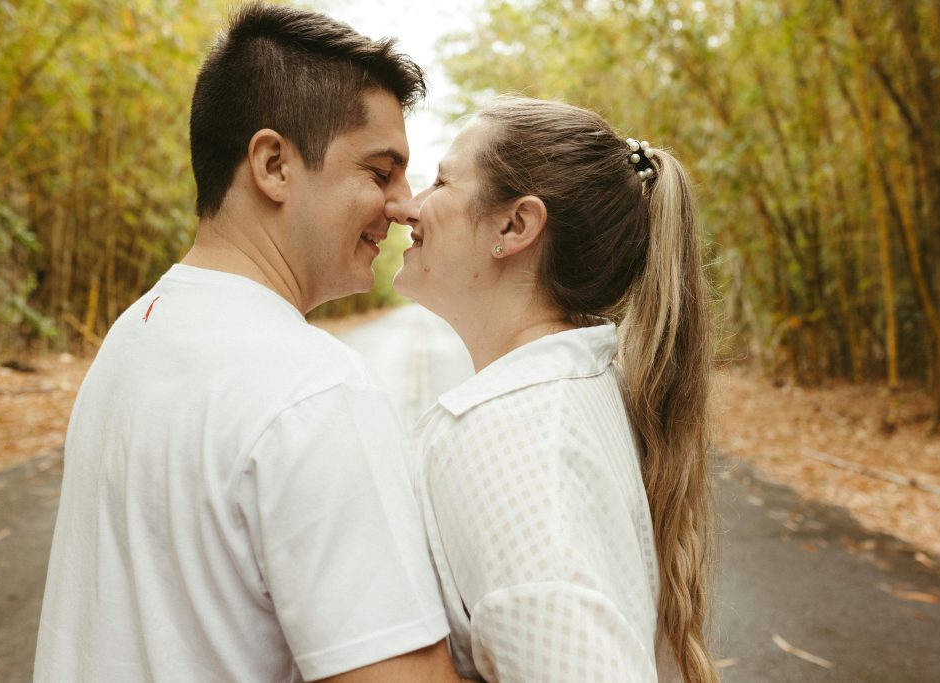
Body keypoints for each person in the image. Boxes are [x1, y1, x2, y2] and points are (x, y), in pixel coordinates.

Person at [35, 4, 463, 681]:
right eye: (381, 172)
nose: (405, 204)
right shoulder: (314, 388)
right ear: (273, 164)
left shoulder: (136, 331)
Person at [391, 96, 718, 683]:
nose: (409, 206)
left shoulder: (510, 442)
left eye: (441, 182)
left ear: (514, 226)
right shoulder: (583, 389)